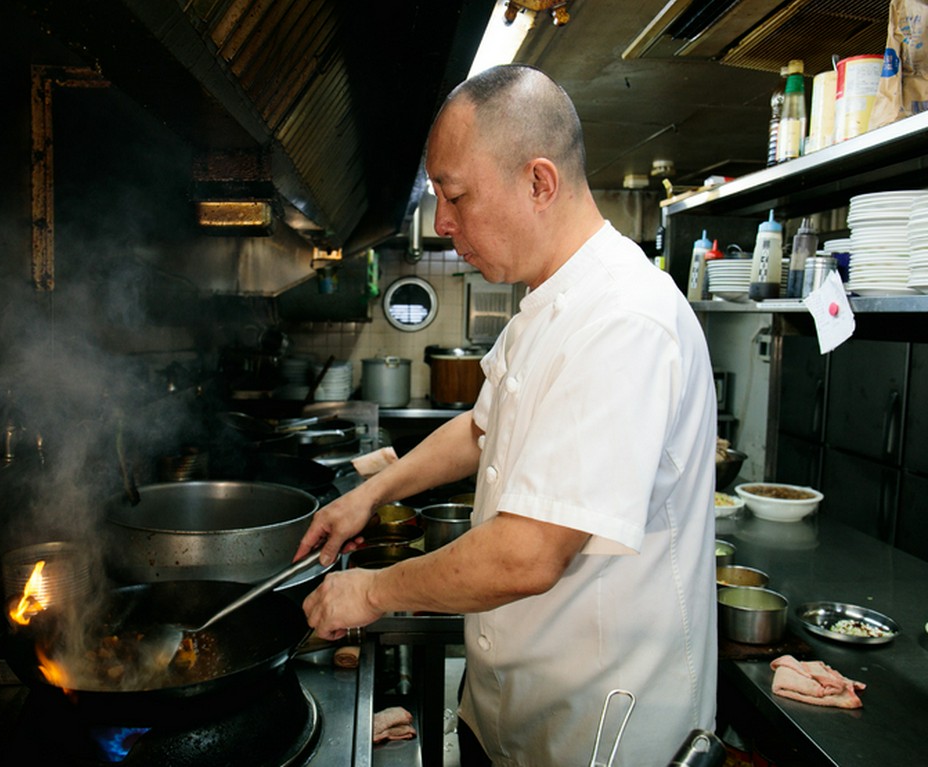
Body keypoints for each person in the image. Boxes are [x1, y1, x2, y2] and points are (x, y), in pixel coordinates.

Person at [294, 64, 718, 766]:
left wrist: (372, 590)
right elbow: (479, 427)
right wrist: (368, 494)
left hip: (598, 729)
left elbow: (530, 551)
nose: (442, 223)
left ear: (539, 183)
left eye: (456, 196)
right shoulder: (543, 305)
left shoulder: (625, 319)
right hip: (512, 708)